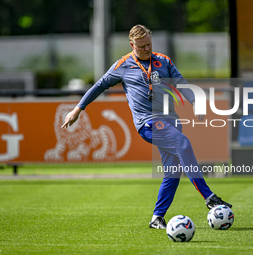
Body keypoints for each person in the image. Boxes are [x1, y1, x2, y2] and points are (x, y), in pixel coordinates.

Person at [61, 24, 232, 229]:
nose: (147, 49)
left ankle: (156, 218)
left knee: (172, 172)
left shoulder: (163, 61)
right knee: (184, 144)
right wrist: (78, 109)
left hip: (171, 122)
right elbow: (99, 86)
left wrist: (196, 101)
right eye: (141, 46)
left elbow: (180, 83)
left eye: (149, 44)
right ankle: (209, 196)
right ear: (132, 44)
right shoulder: (123, 65)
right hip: (148, 123)